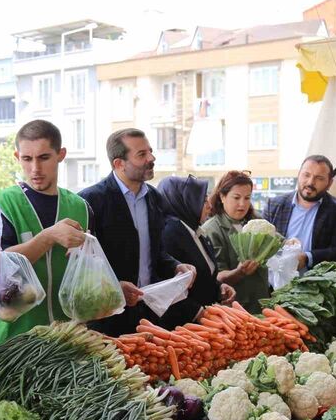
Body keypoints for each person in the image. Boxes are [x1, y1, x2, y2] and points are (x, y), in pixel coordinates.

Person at [0, 120, 90, 344]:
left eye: (44, 158)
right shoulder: (1, 204)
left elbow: (86, 269)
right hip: (10, 342)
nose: (35, 169)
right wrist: (48, 237)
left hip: (64, 339)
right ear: (16, 156)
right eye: (27, 159)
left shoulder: (81, 206)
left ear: (61, 155)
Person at [79, 128, 196, 336]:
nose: (151, 158)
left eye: (150, 151)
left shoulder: (154, 197)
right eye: (141, 154)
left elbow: (156, 252)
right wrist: (114, 287)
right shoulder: (90, 201)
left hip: (149, 315)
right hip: (107, 320)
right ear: (119, 163)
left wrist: (176, 266)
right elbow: (84, 265)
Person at [157, 175, 236, 328]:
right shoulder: (169, 233)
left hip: (204, 325)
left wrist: (218, 287)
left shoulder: (193, 230)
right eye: (202, 200)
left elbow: (204, 274)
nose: (209, 206)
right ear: (185, 201)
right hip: (181, 329)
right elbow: (169, 285)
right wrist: (199, 313)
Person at [263, 155, 336, 269]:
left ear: (330, 183)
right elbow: (263, 241)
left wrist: (307, 258)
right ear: (298, 174)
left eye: (319, 178)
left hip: (316, 282)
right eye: (306, 175)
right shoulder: (274, 205)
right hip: (274, 281)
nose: (310, 182)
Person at [202, 170, 269, 312]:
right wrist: (239, 272)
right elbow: (217, 276)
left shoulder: (256, 221)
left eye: (247, 198)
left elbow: (278, 241)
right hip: (234, 309)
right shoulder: (211, 229)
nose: (242, 204)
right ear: (222, 196)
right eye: (236, 197)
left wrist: (289, 243)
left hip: (261, 302)